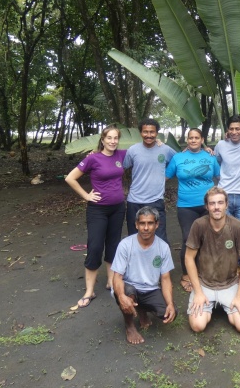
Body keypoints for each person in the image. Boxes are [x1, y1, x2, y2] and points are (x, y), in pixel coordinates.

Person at [65, 126, 127, 308]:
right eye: (109, 138)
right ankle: (89, 291)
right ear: (103, 139)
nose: (113, 141)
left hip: (118, 208)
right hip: (97, 210)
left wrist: (160, 142)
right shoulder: (93, 158)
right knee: (95, 246)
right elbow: (70, 178)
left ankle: (110, 282)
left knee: (114, 245)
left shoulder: (121, 155)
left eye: (116, 138)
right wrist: (86, 196)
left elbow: (143, 149)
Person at [185, 187, 240, 333]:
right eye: (212, 203)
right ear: (207, 206)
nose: (216, 207)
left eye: (220, 203)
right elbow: (189, 258)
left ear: (226, 205)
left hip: (230, 283)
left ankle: (230, 303)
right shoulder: (199, 225)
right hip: (204, 284)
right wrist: (198, 292)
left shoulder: (237, 226)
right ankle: (206, 305)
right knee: (198, 326)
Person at [110, 206, 176, 344]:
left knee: (169, 313)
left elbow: (165, 279)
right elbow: (117, 277)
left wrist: (170, 303)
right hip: (129, 287)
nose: (146, 228)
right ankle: (130, 327)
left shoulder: (163, 247)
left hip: (150, 289)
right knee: (127, 292)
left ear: (157, 225)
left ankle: (141, 310)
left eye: (150, 223)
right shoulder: (125, 245)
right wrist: (121, 296)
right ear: (136, 224)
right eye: (142, 223)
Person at [165, 128, 220, 292]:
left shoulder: (210, 157)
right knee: (188, 238)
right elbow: (165, 176)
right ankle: (186, 274)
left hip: (208, 206)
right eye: (191, 138)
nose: (193, 140)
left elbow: (219, 177)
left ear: (202, 139)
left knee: (210, 239)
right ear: (187, 140)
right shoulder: (178, 157)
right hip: (186, 205)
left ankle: (208, 272)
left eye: (197, 137)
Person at [123, 118, 176, 243]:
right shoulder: (133, 150)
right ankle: (136, 263)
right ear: (140, 133)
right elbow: (122, 166)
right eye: (145, 132)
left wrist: (166, 176)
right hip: (134, 201)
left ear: (157, 133)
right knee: (134, 238)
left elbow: (180, 161)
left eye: (152, 132)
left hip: (156, 201)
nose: (149, 135)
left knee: (160, 239)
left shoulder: (165, 149)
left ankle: (160, 262)